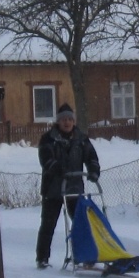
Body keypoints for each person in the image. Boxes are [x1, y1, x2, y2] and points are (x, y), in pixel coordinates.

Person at [35, 103, 100, 269]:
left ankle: (86, 257)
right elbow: (46, 160)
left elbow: (91, 156)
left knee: (81, 224)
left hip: (74, 189)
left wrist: (93, 170)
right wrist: (59, 169)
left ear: (74, 121)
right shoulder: (48, 139)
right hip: (53, 189)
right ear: (58, 121)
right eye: (64, 119)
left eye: (70, 119)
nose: (67, 122)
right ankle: (42, 258)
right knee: (48, 225)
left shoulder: (81, 138)